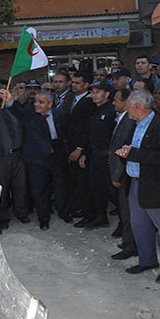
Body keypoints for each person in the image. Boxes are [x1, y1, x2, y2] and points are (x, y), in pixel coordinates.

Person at [115, 90, 160, 285]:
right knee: (140, 226)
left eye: (128, 106)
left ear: (137, 106)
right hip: (135, 183)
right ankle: (147, 261)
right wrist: (127, 153)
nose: (126, 109)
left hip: (155, 187)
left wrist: (133, 154)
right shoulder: (136, 124)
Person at [4, 90, 70, 230]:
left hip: (57, 157)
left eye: (41, 102)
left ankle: (64, 213)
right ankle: (43, 219)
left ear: (50, 104)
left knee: (61, 187)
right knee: (39, 190)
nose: (37, 104)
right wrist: (10, 101)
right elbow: (17, 111)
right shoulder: (30, 113)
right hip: (36, 159)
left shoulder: (61, 114)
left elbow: (66, 133)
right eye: (36, 101)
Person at [0, 86, 30, 232]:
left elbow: (24, 119)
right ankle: (3, 217)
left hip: (19, 153)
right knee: (2, 188)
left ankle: (21, 212)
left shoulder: (13, 109)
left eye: (1, 93)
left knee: (20, 186)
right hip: (2, 155)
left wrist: (10, 102)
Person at [78, 82, 117, 230]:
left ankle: (124, 223)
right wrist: (85, 153)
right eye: (93, 92)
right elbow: (91, 135)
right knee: (96, 188)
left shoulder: (111, 111)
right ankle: (101, 218)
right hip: (95, 155)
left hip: (108, 157)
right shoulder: (95, 110)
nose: (94, 95)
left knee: (113, 190)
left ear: (107, 94)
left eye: (97, 92)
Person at [109, 88, 138, 260]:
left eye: (116, 100)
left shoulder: (130, 121)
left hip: (125, 175)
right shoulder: (124, 118)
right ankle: (129, 241)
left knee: (128, 213)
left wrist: (117, 176)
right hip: (123, 173)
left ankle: (131, 245)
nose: (113, 103)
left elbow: (122, 149)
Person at [66, 72, 96, 222]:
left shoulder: (88, 102)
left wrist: (80, 148)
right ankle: (81, 209)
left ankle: (89, 214)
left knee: (84, 184)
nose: (74, 85)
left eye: (77, 83)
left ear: (86, 85)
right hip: (71, 146)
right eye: (73, 82)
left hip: (82, 149)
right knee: (76, 182)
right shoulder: (71, 98)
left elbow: (87, 128)